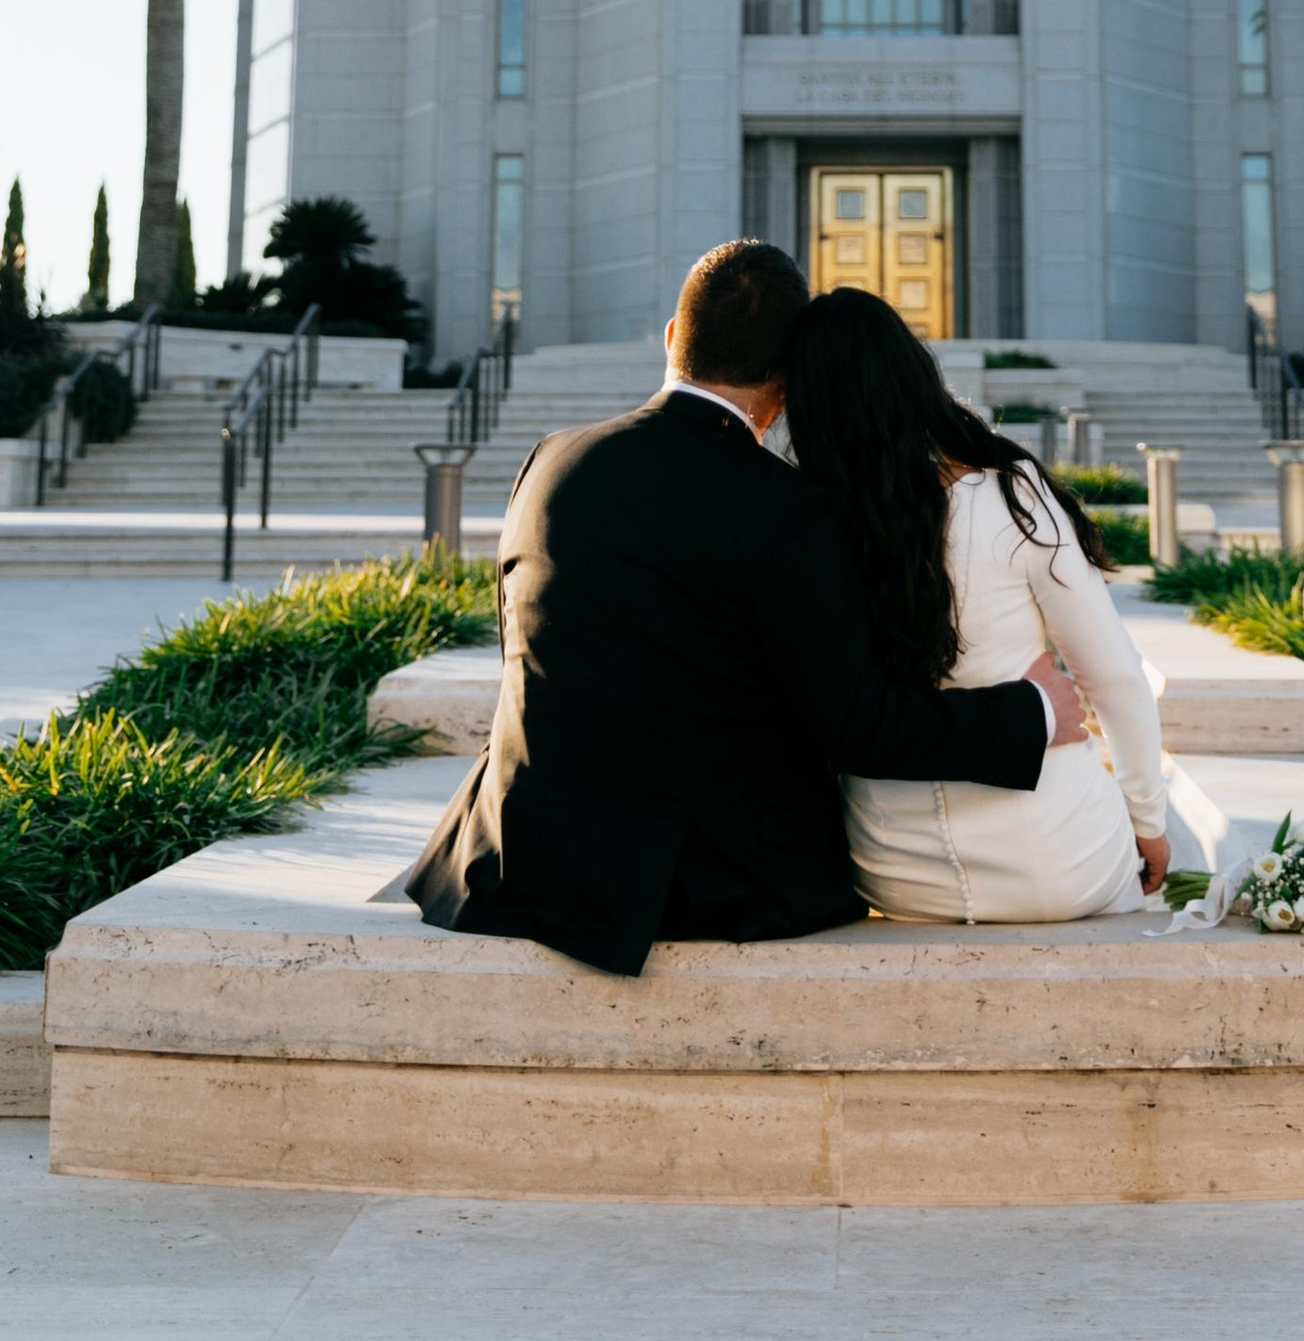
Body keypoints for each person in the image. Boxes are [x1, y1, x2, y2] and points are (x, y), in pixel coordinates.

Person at [408, 239, 1084, 977]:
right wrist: (1034, 713)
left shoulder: (551, 460)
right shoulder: (792, 512)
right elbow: (861, 729)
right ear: (788, 382)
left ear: (674, 337)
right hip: (698, 887)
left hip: (511, 859)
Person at [782, 286, 1169, 923]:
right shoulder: (1008, 495)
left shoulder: (803, 518)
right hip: (1058, 860)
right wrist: (1149, 821)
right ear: (912, 371)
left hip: (892, 868)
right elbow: (1116, 677)